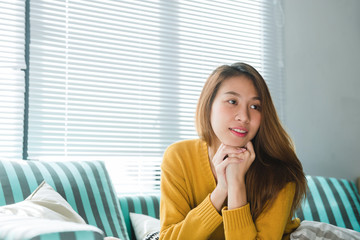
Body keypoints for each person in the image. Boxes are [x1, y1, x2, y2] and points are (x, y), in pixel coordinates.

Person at [159, 62, 307, 240]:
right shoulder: (179, 156)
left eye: (255, 106)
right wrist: (220, 191)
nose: (244, 117)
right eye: (232, 101)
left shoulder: (280, 173)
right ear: (209, 105)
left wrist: (236, 184)